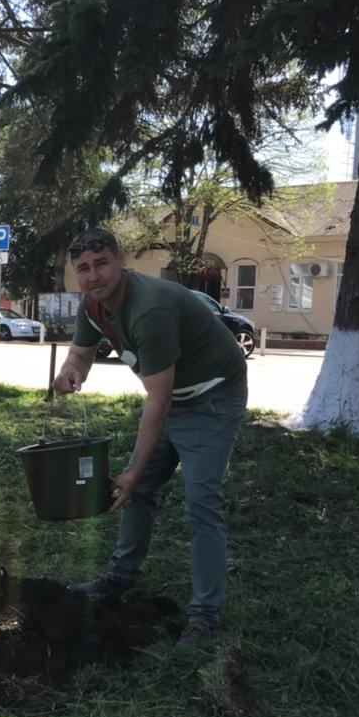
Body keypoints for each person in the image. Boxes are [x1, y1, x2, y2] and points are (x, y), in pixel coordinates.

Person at [53, 228, 248, 649]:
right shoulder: (94, 304)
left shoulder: (150, 310)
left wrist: (133, 471)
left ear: (121, 261)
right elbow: (81, 354)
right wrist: (72, 370)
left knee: (201, 502)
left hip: (212, 398)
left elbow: (158, 401)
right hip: (175, 394)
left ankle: (204, 618)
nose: (93, 276)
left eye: (101, 263)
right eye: (83, 269)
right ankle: (120, 579)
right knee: (137, 490)